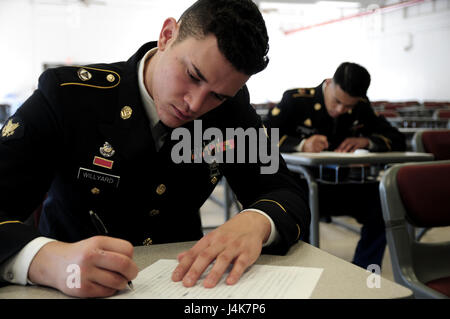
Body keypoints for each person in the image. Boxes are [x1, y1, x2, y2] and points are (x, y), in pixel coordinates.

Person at [0, 0, 310, 298]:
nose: (196, 105)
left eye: (217, 95)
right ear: (166, 36)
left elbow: (286, 191)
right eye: (192, 75)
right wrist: (43, 260)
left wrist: (257, 221)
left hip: (182, 286)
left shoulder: (230, 113)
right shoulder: (69, 97)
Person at [264, 62, 406, 270]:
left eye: (348, 107)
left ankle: (364, 268)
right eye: (337, 101)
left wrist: (368, 141)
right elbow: (262, 135)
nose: (340, 110)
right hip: (298, 185)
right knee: (298, 206)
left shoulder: (361, 107)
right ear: (329, 83)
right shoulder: (296, 100)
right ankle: (301, 270)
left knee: (383, 200)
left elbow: (397, 138)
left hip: (340, 185)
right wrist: (301, 144)